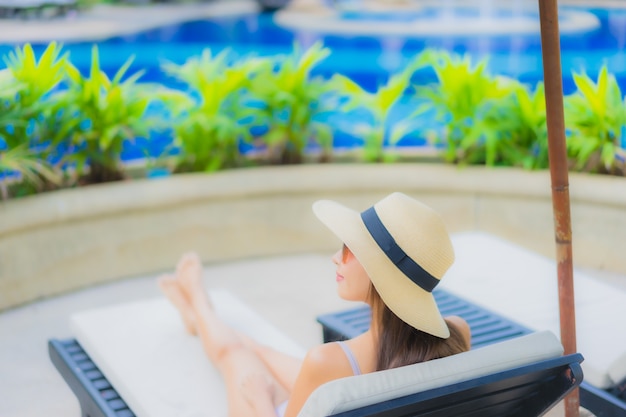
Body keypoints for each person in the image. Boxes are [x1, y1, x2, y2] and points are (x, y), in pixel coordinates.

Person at [158, 192, 471, 417]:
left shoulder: (328, 362)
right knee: (260, 350)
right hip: (349, 388)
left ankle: (198, 305)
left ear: (378, 274)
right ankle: (197, 317)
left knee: (235, 354)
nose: (337, 257)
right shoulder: (458, 332)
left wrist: (260, 400)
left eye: (349, 249)